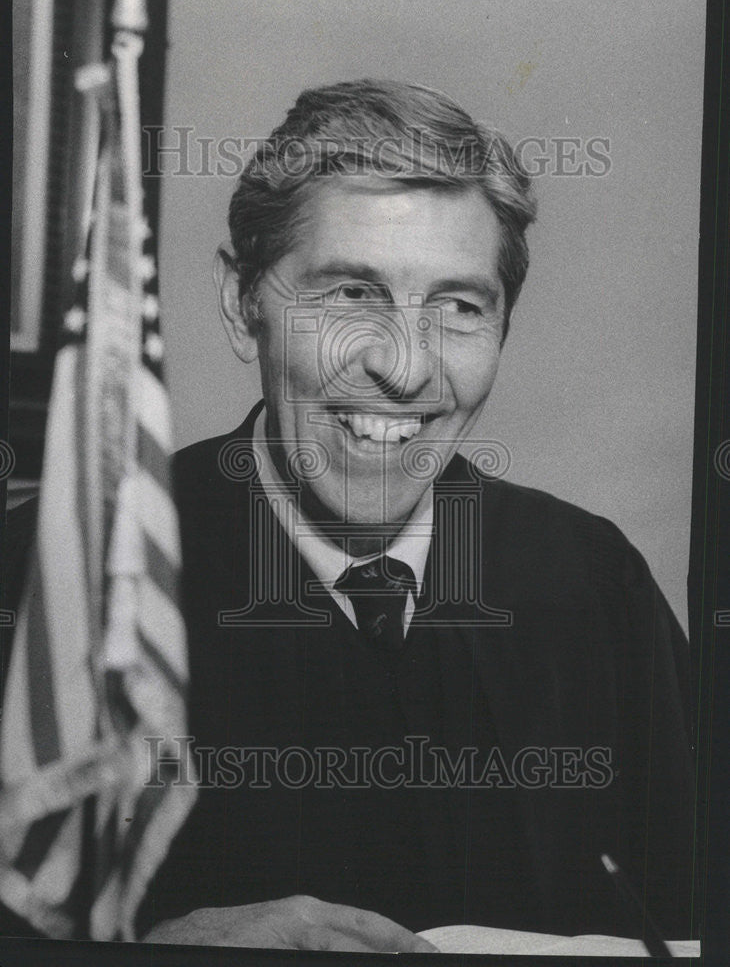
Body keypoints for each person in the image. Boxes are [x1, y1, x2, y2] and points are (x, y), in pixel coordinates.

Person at [3, 79, 695, 953]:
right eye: (350, 294)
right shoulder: (62, 577)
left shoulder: (591, 583)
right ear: (240, 299)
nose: (403, 369)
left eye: (458, 305)